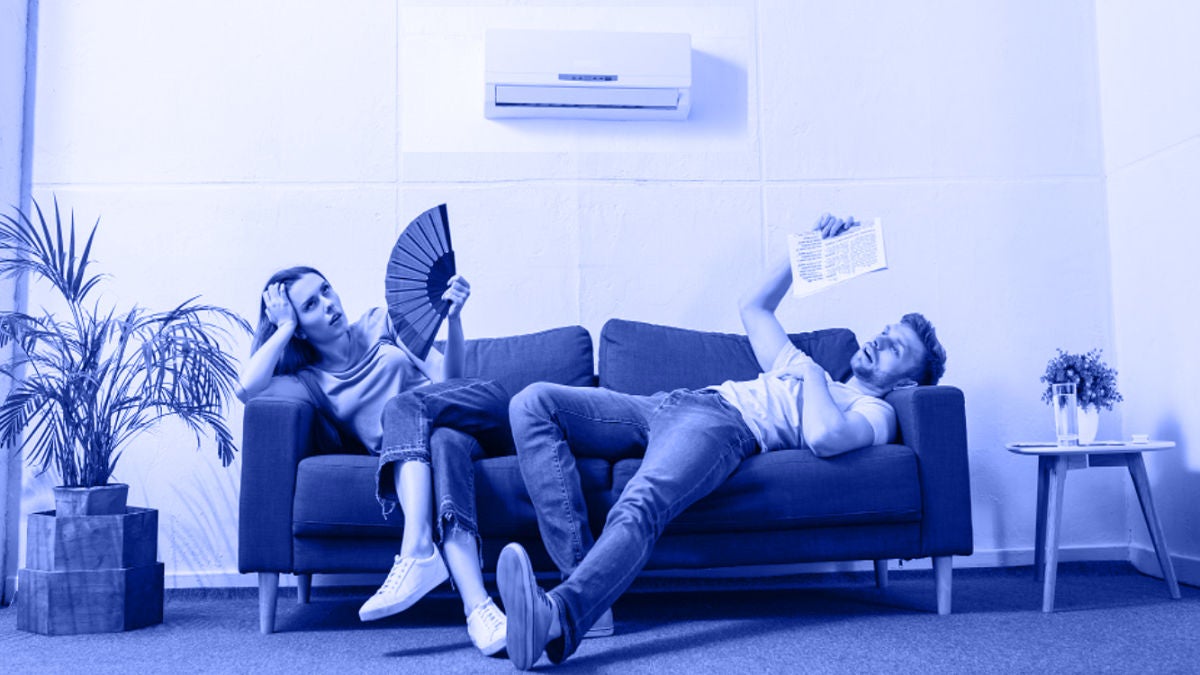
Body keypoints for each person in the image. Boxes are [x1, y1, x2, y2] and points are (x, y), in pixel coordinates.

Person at [497, 214, 949, 670]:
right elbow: (754, 307)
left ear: (906, 383)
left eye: (895, 348)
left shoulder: (874, 410)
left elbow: (825, 437)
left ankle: (559, 615)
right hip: (669, 403)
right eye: (885, 332)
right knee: (533, 403)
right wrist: (807, 248)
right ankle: (581, 590)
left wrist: (812, 373)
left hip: (720, 426)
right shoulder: (804, 369)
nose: (879, 340)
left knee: (641, 501)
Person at [237, 266, 510, 656]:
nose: (329, 304)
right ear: (300, 327)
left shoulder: (383, 321)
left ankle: (417, 550)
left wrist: (453, 319)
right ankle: (480, 610)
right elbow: (248, 389)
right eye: (311, 305)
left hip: (475, 414)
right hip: (438, 449)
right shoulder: (310, 381)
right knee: (443, 445)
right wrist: (283, 328)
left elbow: (449, 379)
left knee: (403, 407)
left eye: (326, 290)